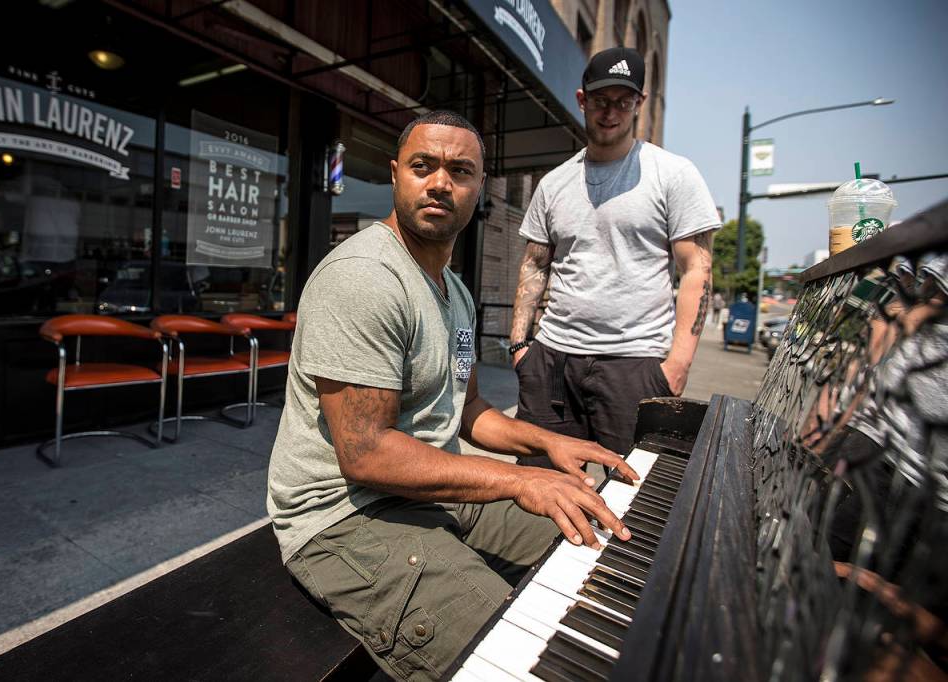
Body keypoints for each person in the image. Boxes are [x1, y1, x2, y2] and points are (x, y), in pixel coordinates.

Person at [266, 110, 639, 681]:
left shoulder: (457, 294)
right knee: (521, 664)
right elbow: (366, 453)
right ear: (396, 175)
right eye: (423, 166)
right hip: (344, 518)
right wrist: (519, 478)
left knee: (599, 552)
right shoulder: (365, 277)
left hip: (429, 493)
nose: (440, 182)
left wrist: (549, 445)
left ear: (478, 189)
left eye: (460, 171)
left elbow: (464, 409)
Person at [509, 46, 721, 470]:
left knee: (633, 497)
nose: (611, 113)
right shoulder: (554, 183)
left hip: (635, 364)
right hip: (552, 359)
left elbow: (697, 269)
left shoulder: (672, 174)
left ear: (639, 104)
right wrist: (519, 346)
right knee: (539, 493)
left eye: (623, 102)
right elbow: (534, 264)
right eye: (602, 101)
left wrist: (677, 364)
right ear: (582, 99)